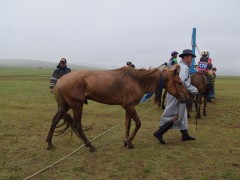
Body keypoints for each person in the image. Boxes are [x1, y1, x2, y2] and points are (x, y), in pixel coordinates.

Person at [153, 49, 198, 144]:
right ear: (185, 58)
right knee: (175, 115)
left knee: (182, 114)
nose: (192, 60)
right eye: (191, 58)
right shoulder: (183, 68)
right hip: (178, 94)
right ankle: (159, 132)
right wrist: (194, 90)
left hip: (177, 93)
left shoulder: (181, 66)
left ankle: (185, 134)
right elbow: (181, 82)